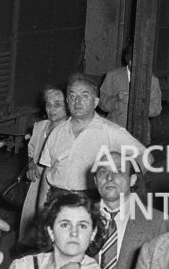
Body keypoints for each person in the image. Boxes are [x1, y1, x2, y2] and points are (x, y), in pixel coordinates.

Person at [38, 74, 145, 207]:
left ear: (95, 102)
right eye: (72, 96)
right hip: (56, 201)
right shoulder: (57, 132)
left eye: (84, 96)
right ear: (67, 101)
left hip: (90, 204)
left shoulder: (110, 132)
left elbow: (145, 157)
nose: (77, 101)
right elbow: (47, 173)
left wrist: (124, 185)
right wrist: (40, 213)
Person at [87, 149, 169, 269]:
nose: (109, 177)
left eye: (119, 171)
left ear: (132, 180)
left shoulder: (157, 222)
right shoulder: (81, 218)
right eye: (103, 171)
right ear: (95, 180)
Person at [18, 86, 67, 243]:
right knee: (31, 223)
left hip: (57, 184)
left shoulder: (70, 130)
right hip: (36, 183)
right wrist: (31, 165)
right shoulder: (40, 127)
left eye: (57, 104)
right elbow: (32, 151)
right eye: (48, 104)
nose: (51, 109)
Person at [98, 47, 163, 135]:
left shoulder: (152, 81)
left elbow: (157, 109)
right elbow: (102, 104)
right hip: (114, 132)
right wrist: (116, 98)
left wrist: (139, 104)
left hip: (139, 134)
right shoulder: (112, 76)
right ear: (129, 61)